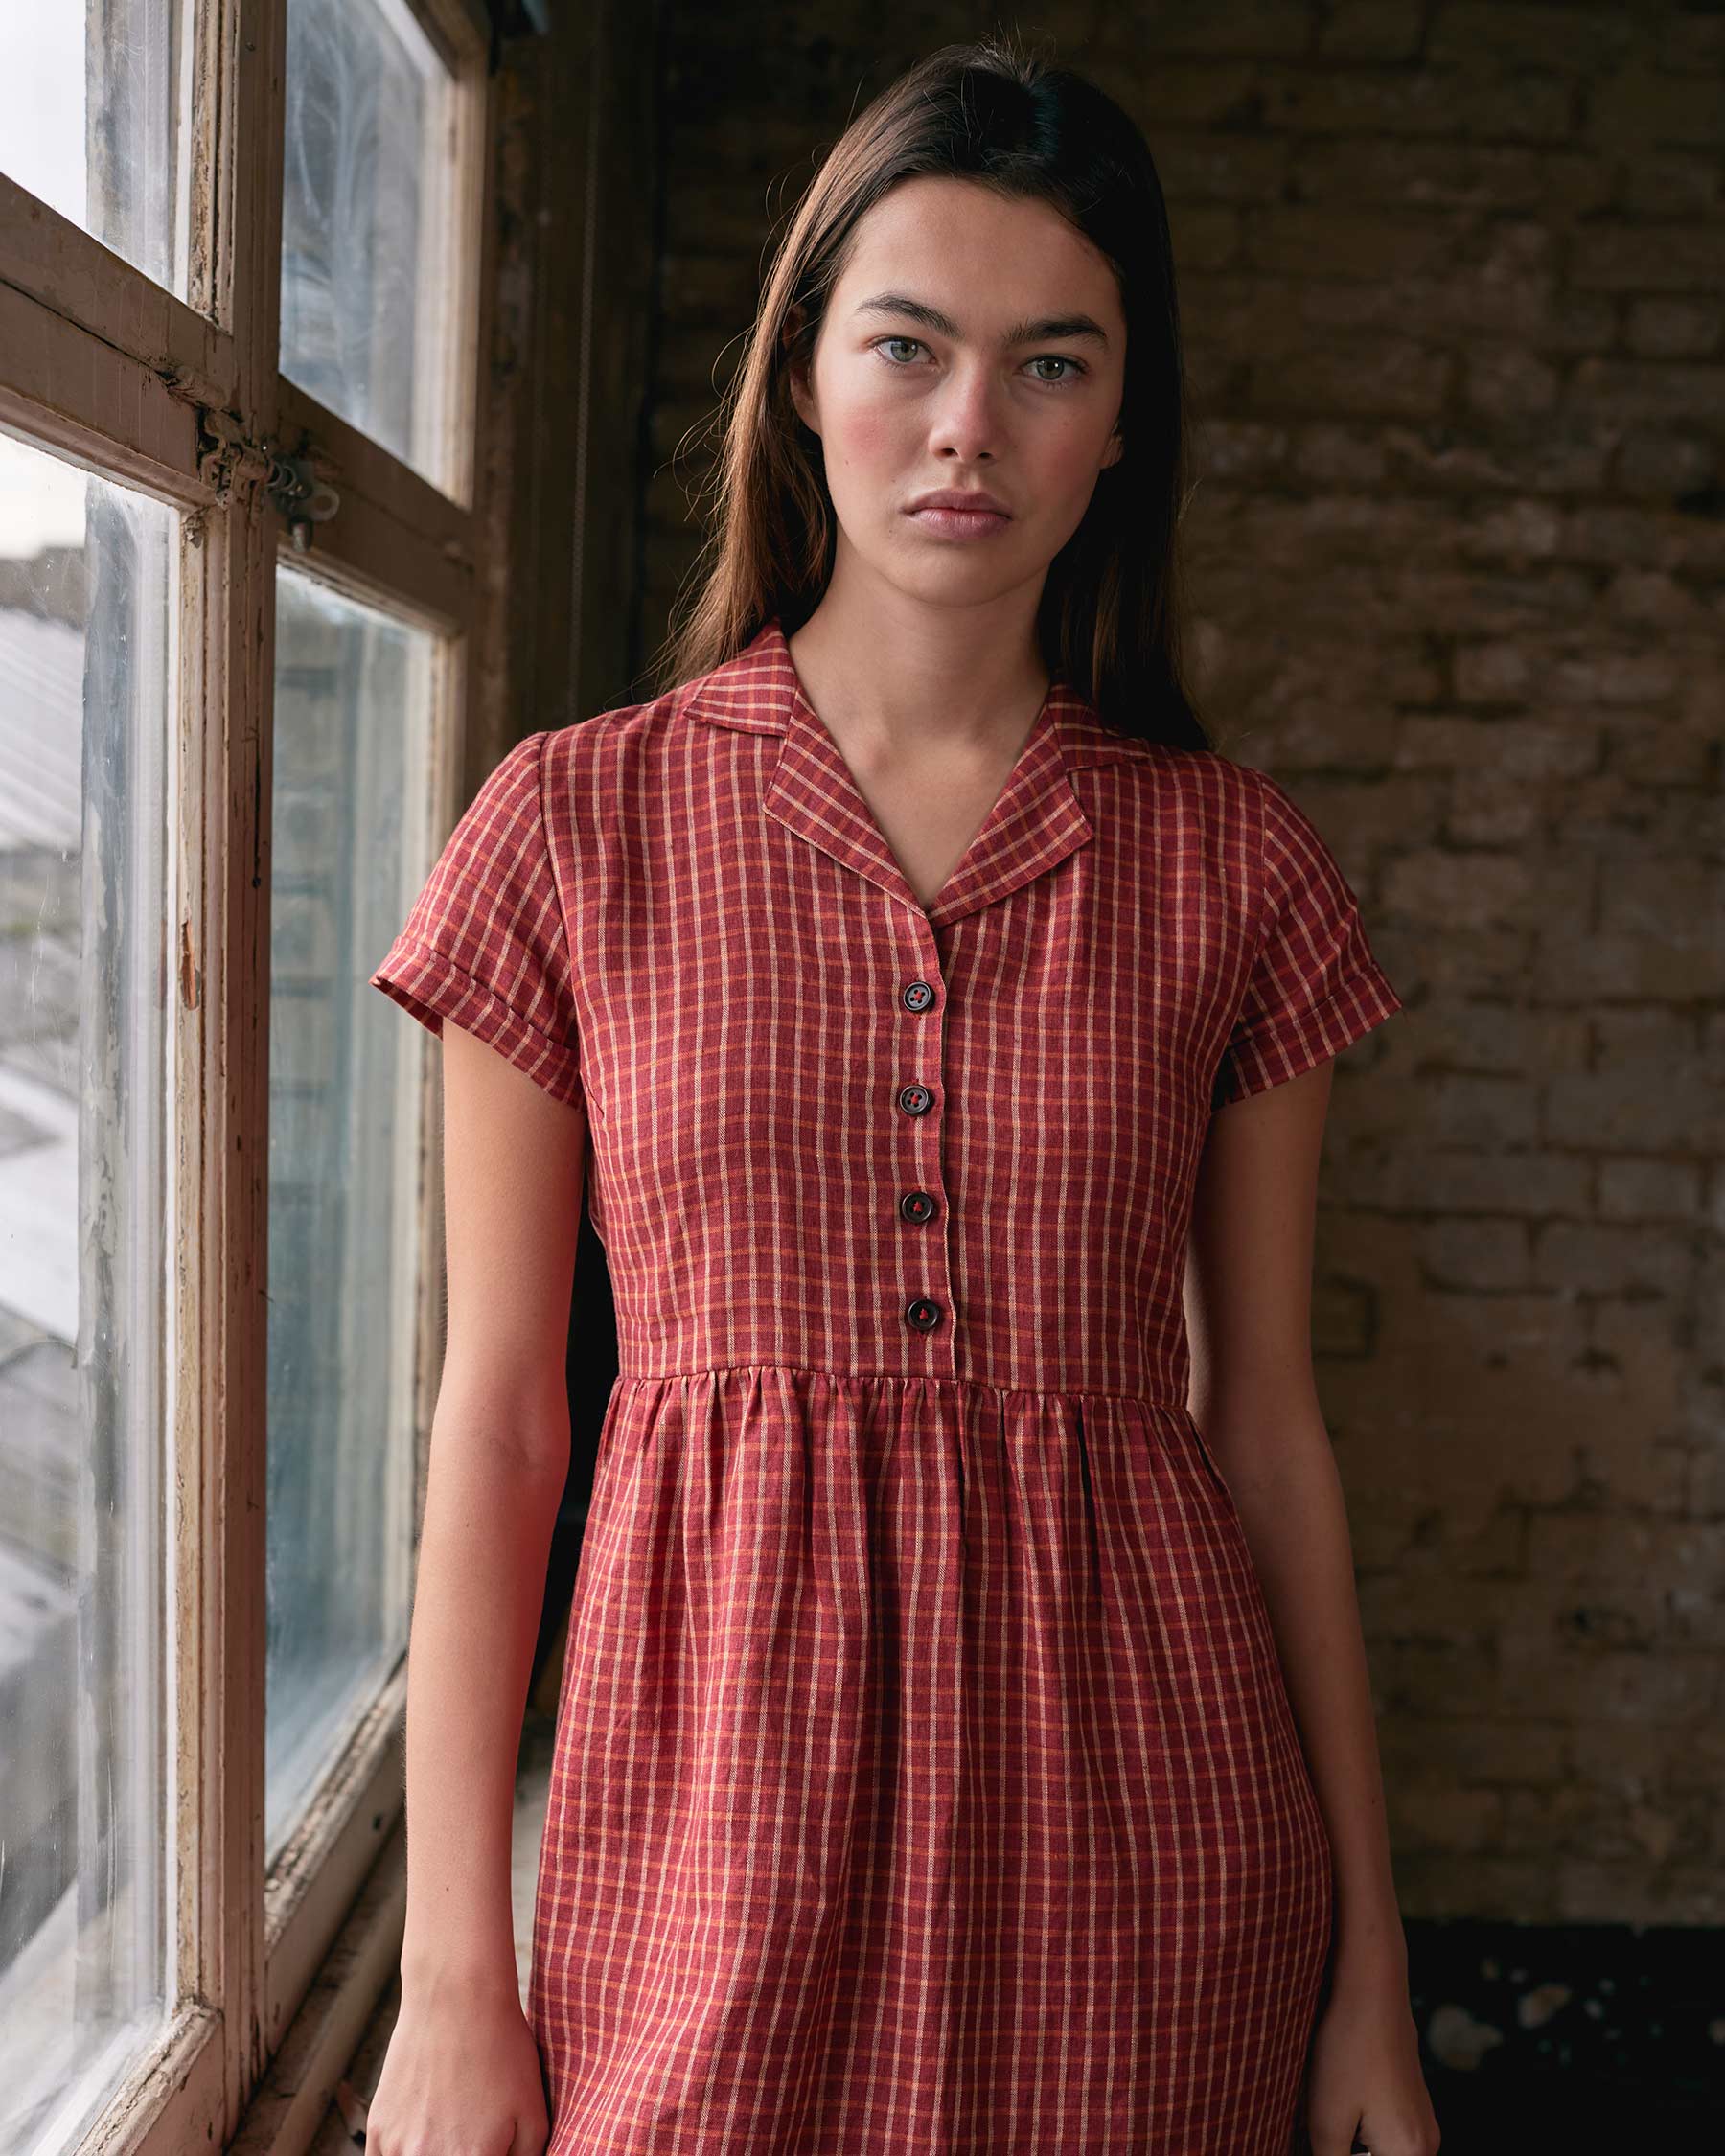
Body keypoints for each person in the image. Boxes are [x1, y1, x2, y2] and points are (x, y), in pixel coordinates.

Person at [360, 32, 1440, 2156]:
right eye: (910, 345)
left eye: (1053, 363)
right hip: (695, 1854)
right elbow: (499, 1417)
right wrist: (449, 1975)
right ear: (799, 375)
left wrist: (1375, 1986)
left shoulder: (1234, 868)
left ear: (1125, 424)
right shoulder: (574, 830)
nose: (971, 427)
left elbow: (1273, 1433)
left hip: (1158, 1845)